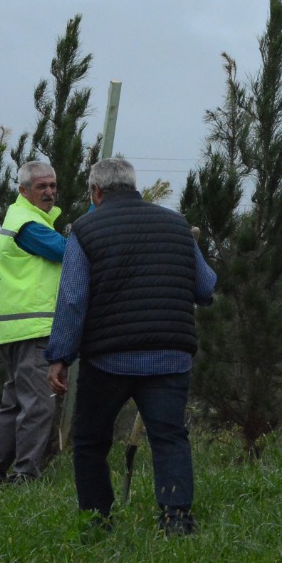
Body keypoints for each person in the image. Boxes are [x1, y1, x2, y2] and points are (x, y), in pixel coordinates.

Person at [44, 157, 216, 535]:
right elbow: (205, 286)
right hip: (170, 354)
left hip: (109, 359)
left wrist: (60, 357)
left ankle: (96, 522)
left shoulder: (85, 231)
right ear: (134, 186)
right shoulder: (177, 225)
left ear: (96, 192)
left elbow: (72, 300)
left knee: (91, 441)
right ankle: (176, 520)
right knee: (170, 438)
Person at [0, 160, 64, 486]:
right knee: (38, 405)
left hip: (14, 329)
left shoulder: (22, 219)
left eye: (52, 186)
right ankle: (25, 476)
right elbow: (68, 252)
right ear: (23, 191)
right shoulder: (29, 225)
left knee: (14, 404)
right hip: (31, 329)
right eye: (42, 187)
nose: (49, 192)